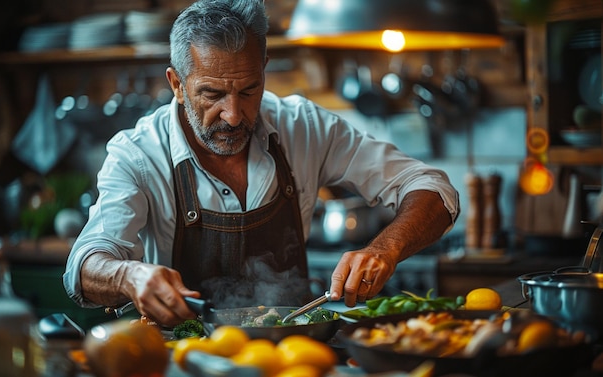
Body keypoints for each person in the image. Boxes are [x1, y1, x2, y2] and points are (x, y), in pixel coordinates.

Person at [63, 0, 460, 327]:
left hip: (295, 355)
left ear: (264, 69)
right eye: (212, 94)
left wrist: (386, 249)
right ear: (177, 85)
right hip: (186, 360)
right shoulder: (138, 154)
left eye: (249, 89)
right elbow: (83, 265)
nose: (233, 114)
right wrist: (130, 275)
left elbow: (433, 188)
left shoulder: (304, 127)